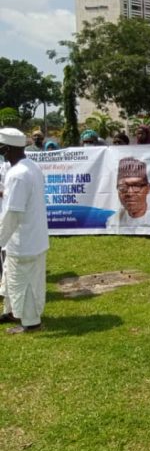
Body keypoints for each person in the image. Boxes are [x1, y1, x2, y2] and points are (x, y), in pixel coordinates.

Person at [0, 128, 48, 333]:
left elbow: (13, 214)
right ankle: (11, 312)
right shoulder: (32, 167)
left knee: (25, 282)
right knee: (11, 277)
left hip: (24, 240)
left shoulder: (18, 175)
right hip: (31, 237)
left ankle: (30, 322)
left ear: (5, 149)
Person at [107, 157, 150, 230]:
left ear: (148, 188)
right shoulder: (113, 221)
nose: (130, 193)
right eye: (123, 187)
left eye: (136, 186)